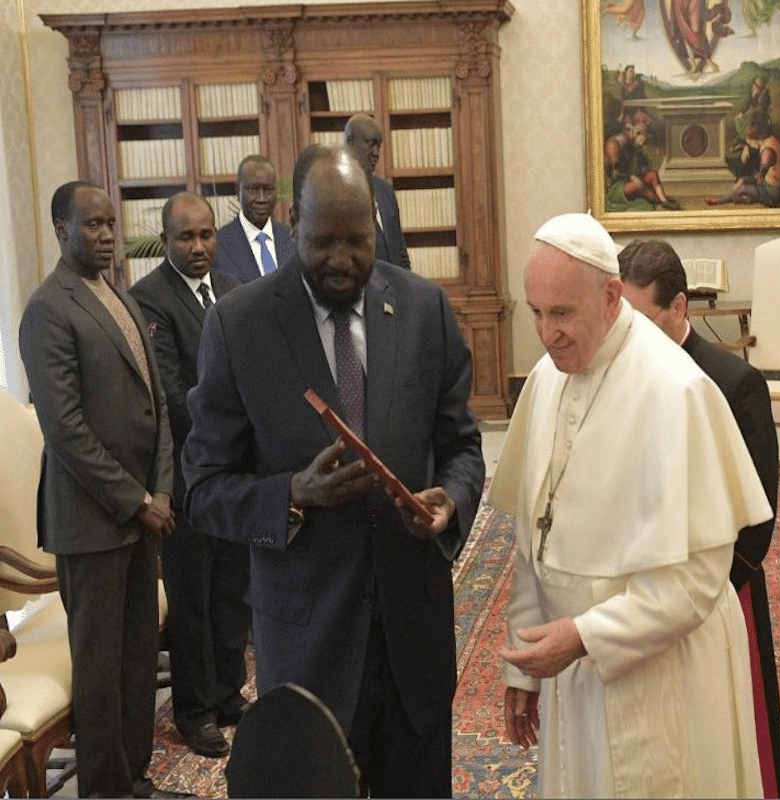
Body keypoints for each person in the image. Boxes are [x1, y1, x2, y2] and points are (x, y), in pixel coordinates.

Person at [182, 143, 484, 797]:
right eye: (324, 242)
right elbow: (203, 487)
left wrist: (452, 502)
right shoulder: (239, 325)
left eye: (358, 241)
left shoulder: (424, 309)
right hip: (308, 647)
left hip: (412, 640)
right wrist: (292, 493)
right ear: (294, 222)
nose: (343, 259)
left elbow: (462, 446)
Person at [491, 213, 771, 798]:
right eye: (536, 312)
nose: (546, 334)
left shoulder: (674, 388)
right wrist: (525, 660)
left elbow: (696, 579)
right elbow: (533, 537)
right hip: (571, 664)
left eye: (561, 313)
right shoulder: (545, 379)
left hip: (659, 672)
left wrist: (585, 636)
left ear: (611, 296)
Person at [18, 180, 180, 799]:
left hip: (142, 515)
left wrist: (160, 490)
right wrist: (136, 499)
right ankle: (104, 791)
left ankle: (133, 777)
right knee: (100, 667)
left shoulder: (119, 295)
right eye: (93, 225)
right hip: (91, 522)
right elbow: (65, 431)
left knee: (137, 656)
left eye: (111, 223)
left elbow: (156, 404)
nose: (108, 235)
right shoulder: (48, 309)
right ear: (61, 230)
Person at [618, 237, 780, 798]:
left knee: (727, 742)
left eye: (642, 320)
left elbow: (757, 523)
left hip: (719, 594)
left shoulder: (736, 383)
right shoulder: (616, 378)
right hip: (637, 594)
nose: (629, 335)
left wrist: (699, 594)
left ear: (679, 306)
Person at [129, 192, 249, 758]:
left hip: (236, 472)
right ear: (166, 239)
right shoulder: (148, 299)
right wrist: (235, 419)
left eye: (206, 234)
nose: (199, 246)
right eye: (186, 237)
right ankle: (195, 712)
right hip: (185, 476)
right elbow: (172, 397)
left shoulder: (232, 290)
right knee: (192, 599)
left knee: (231, 589)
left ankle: (228, 693)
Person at [344, 113, 412, 270]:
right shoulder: (334, 193)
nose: (376, 153)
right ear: (350, 142)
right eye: (371, 144)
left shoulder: (386, 191)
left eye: (378, 146)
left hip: (394, 283)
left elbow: (400, 250)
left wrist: (406, 282)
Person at [214, 154, 296, 283]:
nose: (262, 199)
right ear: (238, 191)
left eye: (268, 190)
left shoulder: (294, 239)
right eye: (253, 190)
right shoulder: (218, 245)